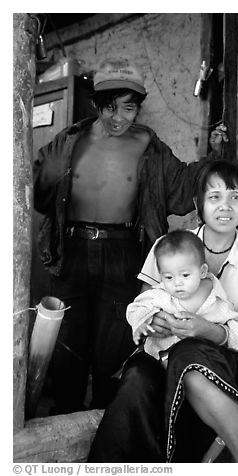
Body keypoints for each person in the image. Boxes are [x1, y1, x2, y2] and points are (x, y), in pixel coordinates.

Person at [33, 57, 227, 414]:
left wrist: (213, 155)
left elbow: (182, 185)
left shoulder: (149, 146)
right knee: (68, 339)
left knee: (117, 341)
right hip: (72, 250)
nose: (119, 117)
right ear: (95, 105)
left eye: (129, 108)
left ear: (139, 108)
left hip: (123, 250)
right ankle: (64, 414)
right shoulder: (70, 140)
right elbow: (36, 187)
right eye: (110, 108)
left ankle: (108, 419)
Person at [88, 159, 238, 463]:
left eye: (236, 197)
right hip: (164, 353)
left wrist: (205, 329)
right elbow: (145, 305)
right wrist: (155, 323)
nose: (225, 206)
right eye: (214, 197)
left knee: (187, 353)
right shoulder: (167, 247)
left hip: (224, 361)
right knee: (137, 375)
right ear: (197, 203)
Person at [127, 229, 238, 363]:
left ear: (202, 271)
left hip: (199, 364)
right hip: (158, 362)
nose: (177, 283)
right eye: (169, 277)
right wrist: (146, 321)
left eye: (185, 275)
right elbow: (135, 309)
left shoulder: (215, 302)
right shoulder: (161, 296)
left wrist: (216, 332)